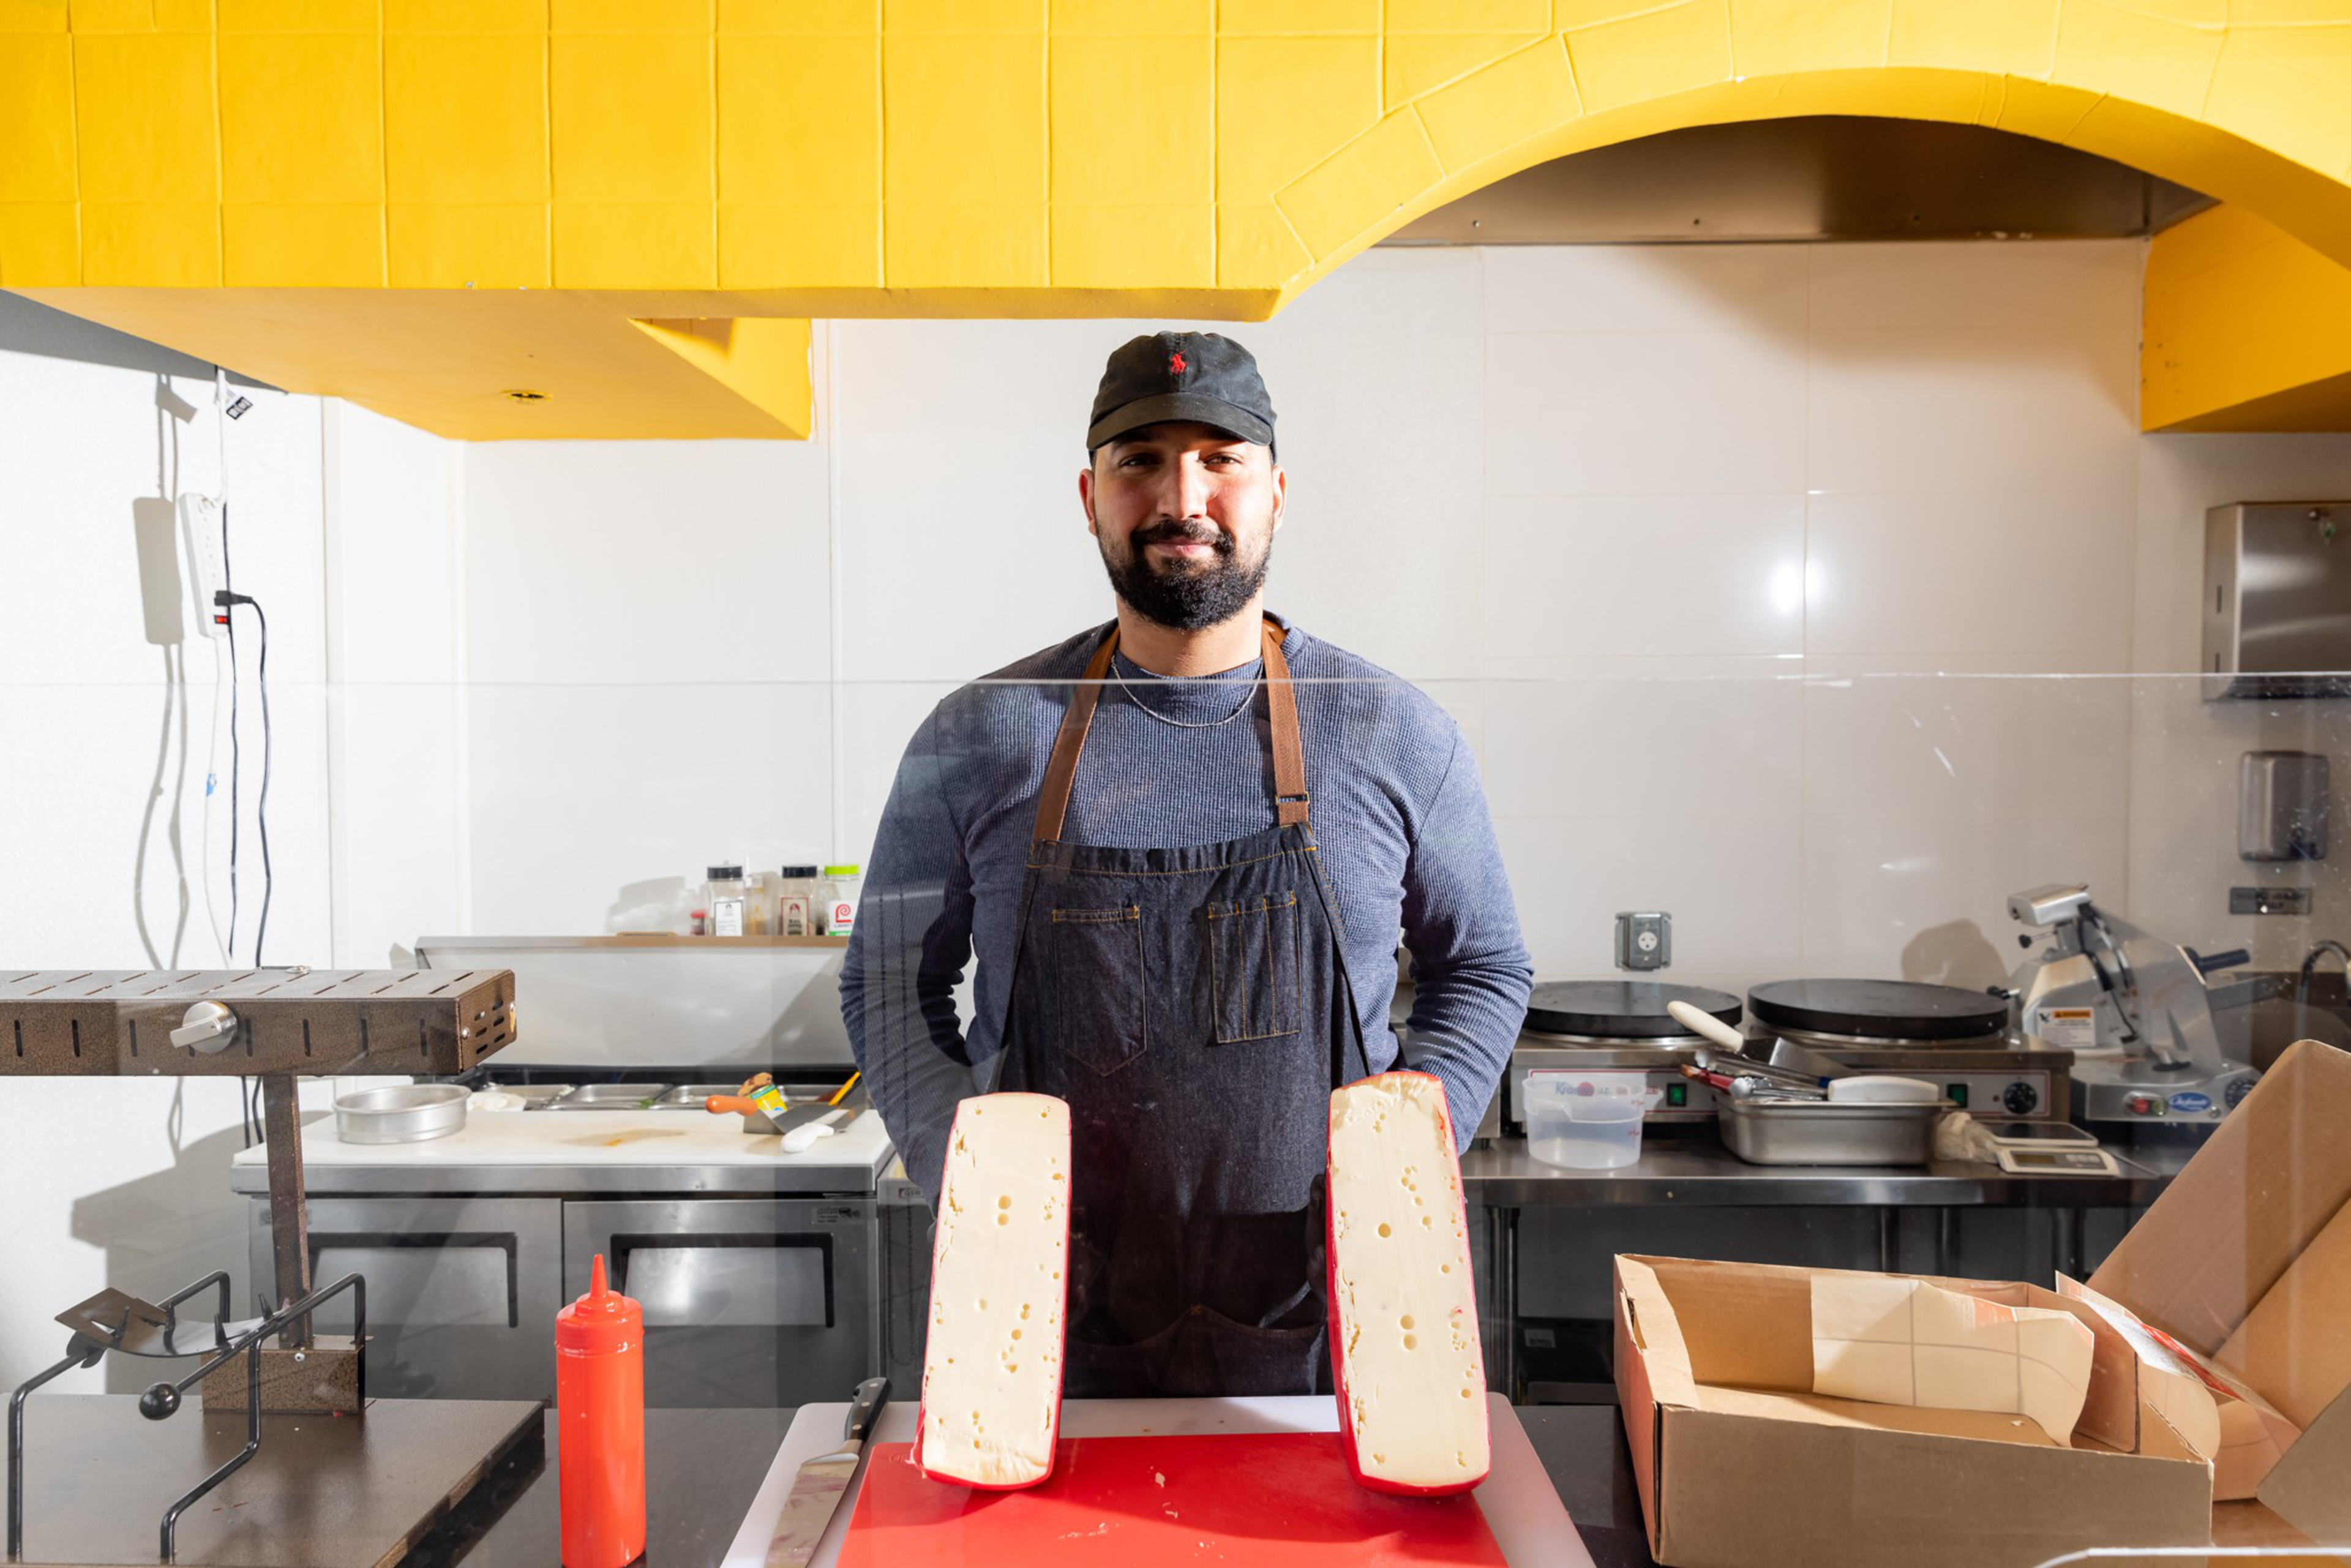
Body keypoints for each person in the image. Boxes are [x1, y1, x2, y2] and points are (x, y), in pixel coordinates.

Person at [839, 330, 1532, 1398]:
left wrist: (1398, 1178)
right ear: (1089, 494)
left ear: (1276, 491)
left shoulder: (1391, 730)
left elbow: (1484, 965)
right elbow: (887, 977)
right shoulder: (983, 733)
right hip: (1038, 1321)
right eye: (1140, 460)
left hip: (1332, 1322)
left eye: (1220, 458)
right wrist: (968, 1177)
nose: (1181, 496)